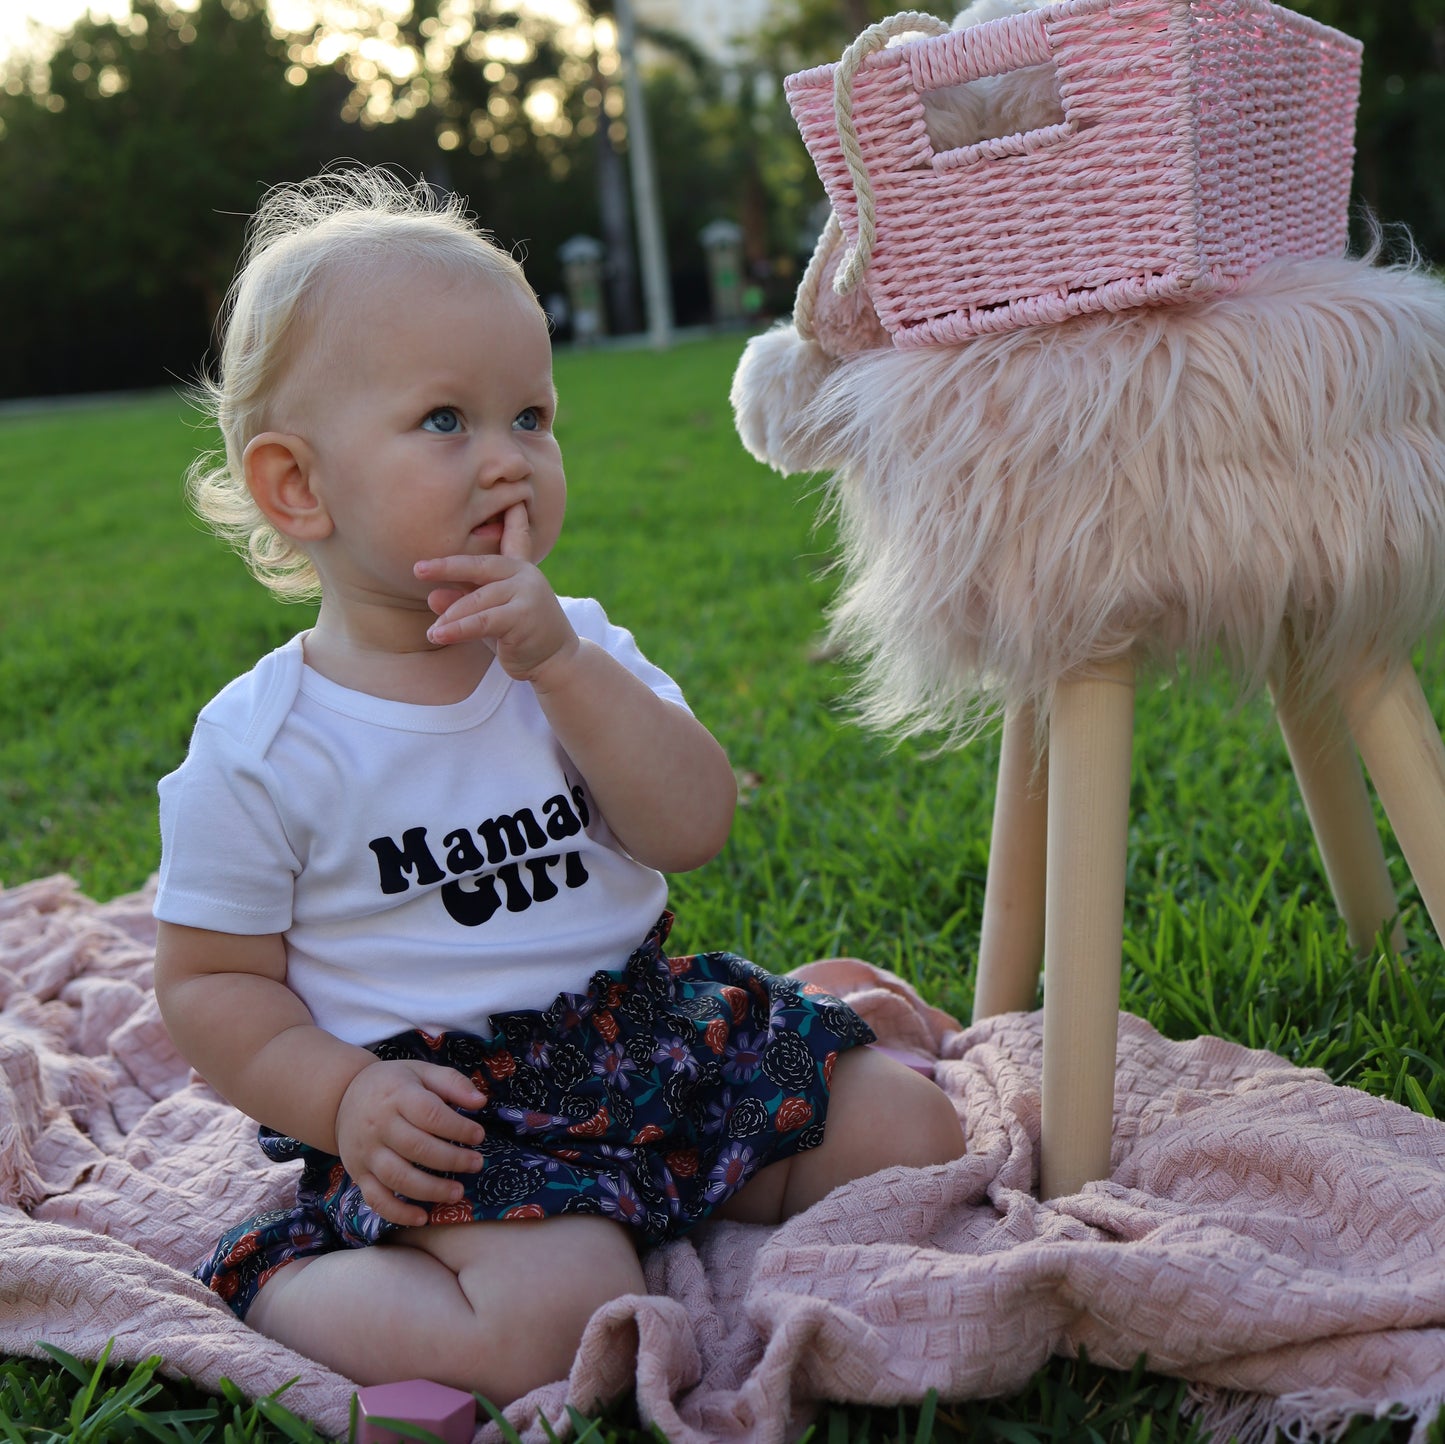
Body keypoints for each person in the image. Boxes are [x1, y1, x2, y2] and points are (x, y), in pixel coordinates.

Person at [152, 165, 965, 1407]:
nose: (507, 460)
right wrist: (345, 1096)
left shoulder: (580, 648)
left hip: (646, 1032)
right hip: (457, 1107)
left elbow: (690, 826)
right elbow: (211, 983)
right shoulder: (265, 745)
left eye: (530, 417)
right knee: (557, 1320)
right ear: (297, 487)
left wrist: (561, 669)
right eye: (445, 421)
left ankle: (682, 1184)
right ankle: (280, 1277)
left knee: (911, 1134)